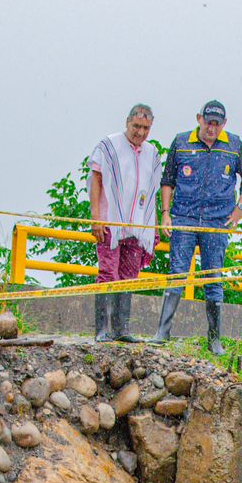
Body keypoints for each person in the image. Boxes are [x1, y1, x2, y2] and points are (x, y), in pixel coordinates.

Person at [152, 99, 242, 353]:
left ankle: (214, 339)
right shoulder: (181, 142)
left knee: (213, 277)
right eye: (208, 122)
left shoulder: (234, 144)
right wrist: (166, 214)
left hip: (216, 221)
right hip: (184, 217)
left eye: (216, 124)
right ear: (199, 118)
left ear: (224, 124)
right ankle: (162, 331)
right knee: (177, 273)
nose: (212, 128)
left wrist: (238, 211)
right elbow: (168, 180)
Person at [87, 104, 160, 342]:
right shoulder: (109, 146)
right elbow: (96, 180)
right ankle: (102, 329)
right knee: (108, 272)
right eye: (136, 126)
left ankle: (122, 329)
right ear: (127, 122)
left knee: (130, 275)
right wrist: (96, 217)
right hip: (111, 221)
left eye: (145, 128)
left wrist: (154, 226)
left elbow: (152, 192)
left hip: (137, 225)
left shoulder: (152, 153)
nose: (140, 132)